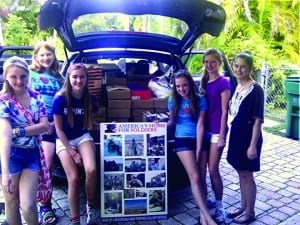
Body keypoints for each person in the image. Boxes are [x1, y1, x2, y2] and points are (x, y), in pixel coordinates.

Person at [0, 56, 49, 225]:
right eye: (14, 76)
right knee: (12, 203)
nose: (19, 81)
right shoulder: (3, 100)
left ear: (28, 76)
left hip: (32, 154)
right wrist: (5, 172)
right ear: (6, 76)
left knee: (28, 205)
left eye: (23, 76)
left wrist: (19, 131)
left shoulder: (36, 97)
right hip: (11, 155)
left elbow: (45, 126)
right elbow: (5, 136)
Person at [167, 69, 217, 225]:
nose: (181, 89)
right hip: (182, 140)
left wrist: (198, 147)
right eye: (178, 86)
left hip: (200, 140)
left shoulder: (200, 100)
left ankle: (203, 217)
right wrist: (157, 126)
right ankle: (208, 217)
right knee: (194, 177)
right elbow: (172, 122)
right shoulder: (172, 101)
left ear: (190, 84)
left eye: (184, 85)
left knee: (202, 178)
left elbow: (201, 125)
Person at [52, 63, 98, 225]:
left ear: (86, 78)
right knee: (73, 179)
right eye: (75, 77)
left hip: (82, 135)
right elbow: (58, 130)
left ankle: (90, 206)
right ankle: (75, 220)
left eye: (82, 77)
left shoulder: (90, 98)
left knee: (91, 170)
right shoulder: (60, 99)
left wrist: (111, 127)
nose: (78, 80)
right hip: (64, 139)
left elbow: (91, 123)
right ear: (69, 78)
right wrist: (73, 153)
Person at [226, 52, 264, 224]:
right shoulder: (237, 86)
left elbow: (258, 120)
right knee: (241, 172)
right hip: (237, 134)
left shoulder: (256, 89)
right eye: (236, 65)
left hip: (249, 137)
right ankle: (243, 206)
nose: (238, 69)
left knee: (247, 175)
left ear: (250, 68)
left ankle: (250, 211)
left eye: (243, 66)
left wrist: (253, 146)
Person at [29, 41, 63, 225]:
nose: (45, 58)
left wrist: (51, 123)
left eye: (48, 54)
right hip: (32, 126)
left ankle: (46, 206)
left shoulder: (59, 78)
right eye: (41, 55)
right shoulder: (30, 75)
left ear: (53, 56)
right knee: (29, 168)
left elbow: (63, 104)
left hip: (51, 127)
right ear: (36, 57)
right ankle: (27, 203)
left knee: (45, 167)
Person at [198, 48, 231, 223]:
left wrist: (222, 136)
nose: (209, 65)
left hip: (217, 132)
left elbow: (225, 111)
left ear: (219, 62)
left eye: (213, 61)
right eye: (206, 62)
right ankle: (205, 203)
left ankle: (220, 207)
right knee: (201, 170)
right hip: (204, 132)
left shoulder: (223, 82)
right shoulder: (203, 82)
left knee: (213, 170)